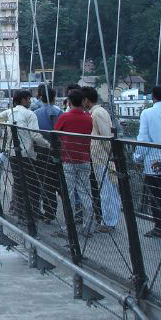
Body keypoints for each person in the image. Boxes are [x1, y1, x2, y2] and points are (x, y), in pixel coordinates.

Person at [0, 90, 49, 222]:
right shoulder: (30, 114)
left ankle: (21, 214)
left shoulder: (10, 112)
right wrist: (48, 145)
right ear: (24, 100)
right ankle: (32, 215)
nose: (30, 101)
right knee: (32, 185)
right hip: (28, 155)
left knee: (19, 183)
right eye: (28, 99)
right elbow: (35, 136)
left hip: (13, 154)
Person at [133, 85, 161, 238]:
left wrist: (137, 157)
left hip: (153, 163)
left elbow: (144, 138)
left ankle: (159, 228)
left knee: (156, 199)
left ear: (153, 96)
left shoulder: (147, 113)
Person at [54, 89, 95, 236]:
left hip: (68, 159)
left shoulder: (65, 117)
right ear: (83, 101)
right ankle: (88, 227)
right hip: (84, 158)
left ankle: (68, 228)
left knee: (69, 194)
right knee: (86, 193)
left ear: (69, 102)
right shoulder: (89, 117)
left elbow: (56, 133)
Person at [82, 86, 121, 232]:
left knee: (107, 189)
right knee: (105, 188)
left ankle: (109, 222)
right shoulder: (96, 112)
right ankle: (108, 220)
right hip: (99, 156)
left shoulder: (98, 113)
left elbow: (105, 136)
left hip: (102, 157)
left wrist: (110, 155)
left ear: (86, 100)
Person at [34, 85, 61, 222]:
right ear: (54, 97)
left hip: (42, 150)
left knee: (46, 182)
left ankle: (49, 212)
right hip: (58, 150)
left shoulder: (36, 113)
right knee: (62, 182)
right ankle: (74, 212)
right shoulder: (58, 112)